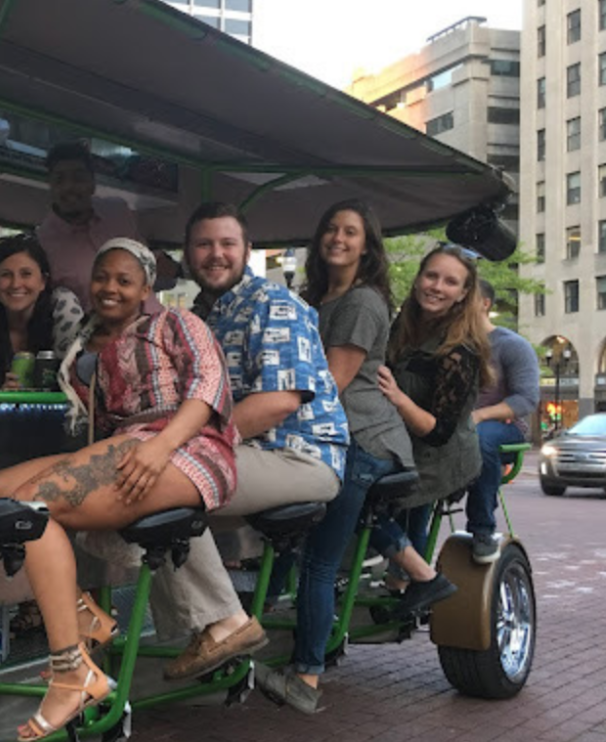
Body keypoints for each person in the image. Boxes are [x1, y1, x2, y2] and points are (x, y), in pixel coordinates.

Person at [0, 238, 238, 741]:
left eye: (124, 280)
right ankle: (80, 614)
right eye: (102, 277)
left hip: (185, 449)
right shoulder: (85, 343)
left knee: (29, 507)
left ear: (146, 288)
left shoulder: (176, 322)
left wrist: (161, 446)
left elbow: (209, 386)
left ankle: (72, 671)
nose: (110, 288)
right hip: (124, 447)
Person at [150, 202, 348, 681]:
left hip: (299, 454)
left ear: (247, 250)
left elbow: (278, 402)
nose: (215, 254)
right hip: (245, 452)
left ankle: (225, 621)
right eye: (204, 244)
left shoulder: (273, 303)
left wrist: (182, 441)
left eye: (227, 244)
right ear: (188, 253)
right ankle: (207, 623)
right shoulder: (200, 314)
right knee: (138, 479)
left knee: (165, 479)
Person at [254, 199, 415, 713]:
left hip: (362, 438)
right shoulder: (316, 297)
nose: (338, 238)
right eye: (330, 229)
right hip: (328, 434)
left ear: (367, 246)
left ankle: (306, 676)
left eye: (350, 232)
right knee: (284, 534)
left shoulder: (362, 302)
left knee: (318, 560)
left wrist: (263, 412)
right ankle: (253, 626)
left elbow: (330, 384)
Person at [372, 244, 491, 609]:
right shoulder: (405, 323)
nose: (437, 286)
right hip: (402, 441)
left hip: (441, 456)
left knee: (365, 503)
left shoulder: (461, 351)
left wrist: (397, 397)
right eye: (431, 276)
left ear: (464, 293)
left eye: (450, 282)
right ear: (418, 278)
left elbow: (438, 433)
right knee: (398, 508)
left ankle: (422, 581)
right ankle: (401, 585)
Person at [36, 141, 180, 311]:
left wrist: (176, 268)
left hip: (155, 319)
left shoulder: (117, 211)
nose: (69, 187)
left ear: (92, 183)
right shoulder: (42, 244)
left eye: (79, 178)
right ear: (50, 185)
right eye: (59, 179)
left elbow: (149, 264)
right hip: (101, 327)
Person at [464, 279, 539, 563]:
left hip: (503, 430)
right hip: (456, 431)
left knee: (481, 436)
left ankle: (482, 529)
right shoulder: (449, 344)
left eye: (466, 297)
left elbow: (526, 399)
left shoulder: (512, 345)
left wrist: (481, 415)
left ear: (485, 304)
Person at [0, 233, 84, 390]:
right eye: (6, 275)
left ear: (43, 281)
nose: (16, 284)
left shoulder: (62, 305)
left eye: (26, 274)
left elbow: (77, 380)